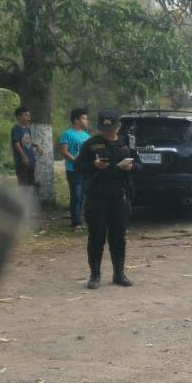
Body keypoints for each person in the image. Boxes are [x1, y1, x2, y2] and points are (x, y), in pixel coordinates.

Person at [74, 110, 141, 289]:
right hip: (97, 198)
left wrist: (131, 167)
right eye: (104, 129)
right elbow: (78, 166)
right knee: (96, 238)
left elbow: (140, 165)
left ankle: (119, 273)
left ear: (118, 126)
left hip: (120, 197)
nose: (107, 133)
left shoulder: (126, 143)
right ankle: (95, 275)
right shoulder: (91, 144)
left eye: (110, 129)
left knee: (118, 238)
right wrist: (94, 165)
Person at [57, 108, 90, 230]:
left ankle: (82, 219)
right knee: (76, 195)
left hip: (85, 170)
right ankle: (76, 222)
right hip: (73, 170)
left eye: (86, 118)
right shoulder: (67, 134)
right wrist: (76, 161)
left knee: (84, 196)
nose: (86, 121)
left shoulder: (87, 136)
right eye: (84, 118)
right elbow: (63, 151)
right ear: (76, 120)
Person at [11, 106, 41, 190]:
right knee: (23, 185)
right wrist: (24, 157)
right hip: (22, 162)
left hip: (31, 161)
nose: (28, 117)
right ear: (19, 117)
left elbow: (28, 141)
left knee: (31, 183)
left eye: (29, 115)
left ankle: (31, 198)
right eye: (26, 115)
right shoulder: (16, 129)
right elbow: (16, 143)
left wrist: (36, 145)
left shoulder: (27, 129)